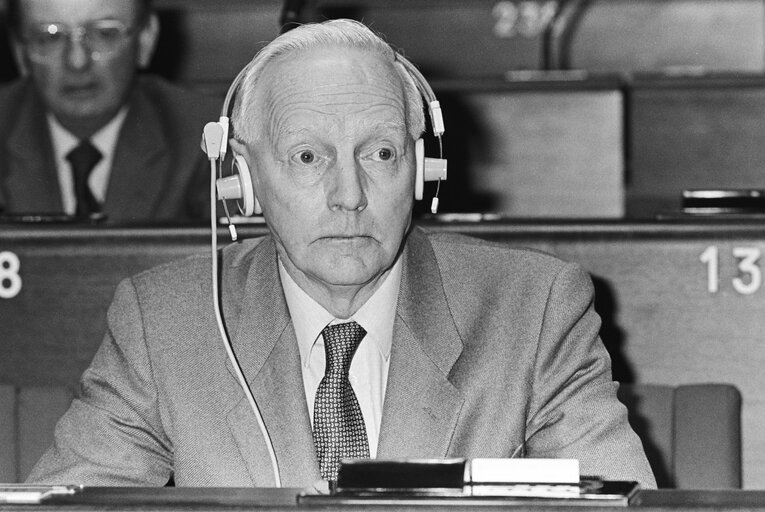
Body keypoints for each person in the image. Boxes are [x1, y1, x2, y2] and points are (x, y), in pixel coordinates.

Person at [26, 19, 656, 488]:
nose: (349, 195)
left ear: (422, 169)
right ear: (243, 179)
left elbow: (618, 501)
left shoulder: (536, 310)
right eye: (308, 157)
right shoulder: (164, 323)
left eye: (380, 153)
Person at [0, 0, 218, 224]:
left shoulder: (208, 138)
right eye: (49, 37)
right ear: (19, 50)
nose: (77, 61)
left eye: (104, 34)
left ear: (145, 39)